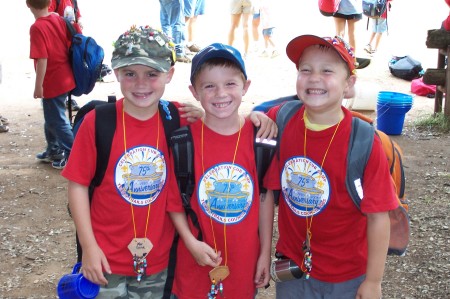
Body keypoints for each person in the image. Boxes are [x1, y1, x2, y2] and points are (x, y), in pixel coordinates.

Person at [61, 25, 205, 297]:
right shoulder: (98, 122)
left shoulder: (177, 118)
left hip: (158, 260)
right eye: (130, 73)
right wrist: (88, 247)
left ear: (169, 74)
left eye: (152, 74)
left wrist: (256, 119)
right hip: (104, 259)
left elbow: (225, 129)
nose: (141, 84)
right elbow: (77, 185)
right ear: (116, 72)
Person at [263, 34, 399, 298]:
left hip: (346, 273)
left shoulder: (362, 141)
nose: (314, 78)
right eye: (306, 69)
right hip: (293, 265)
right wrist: (257, 116)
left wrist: (373, 281)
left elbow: (378, 216)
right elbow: (241, 129)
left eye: (327, 70)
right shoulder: (283, 118)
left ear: (349, 85)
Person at [169, 43, 274, 299]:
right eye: (209, 86)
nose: (220, 94)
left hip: (243, 264)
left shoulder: (260, 140)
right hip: (194, 262)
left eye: (230, 84)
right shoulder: (183, 142)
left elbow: (265, 197)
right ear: (194, 92)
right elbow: (173, 203)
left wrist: (264, 253)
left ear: (245, 86)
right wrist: (190, 242)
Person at [27, 0, 75, 169]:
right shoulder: (57, 18)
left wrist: (38, 85)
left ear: (28, 4)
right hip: (66, 75)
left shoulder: (37, 27)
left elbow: (42, 59)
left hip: (52, 81)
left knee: (58, 120)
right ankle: (53, 149)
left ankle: (74, 155)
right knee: (52, 116)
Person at [49, 0, 82, 111]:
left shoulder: (73, 1)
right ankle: (59, 99)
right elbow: (47, 14)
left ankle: (69, 98)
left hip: (71, 41)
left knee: (71, 71)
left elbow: (77, 14)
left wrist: (79, 22)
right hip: (59, 43)